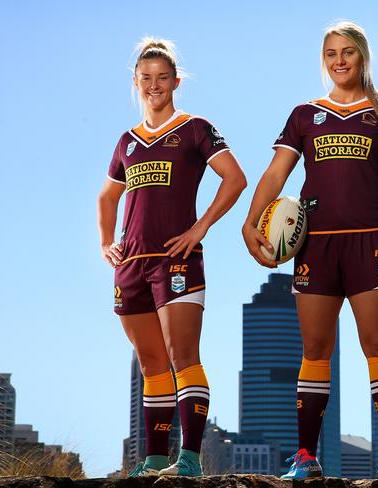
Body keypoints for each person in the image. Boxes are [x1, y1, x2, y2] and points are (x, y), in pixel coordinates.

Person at [242, 21, 378, 481]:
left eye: (348, 53)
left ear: (363, 57)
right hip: (315, 245)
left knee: (377, 344)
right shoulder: (304, 114)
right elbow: (277, 173)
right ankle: (306, 456)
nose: (340, 61)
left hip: (371, 238)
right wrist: (249, 220)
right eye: (331, 53)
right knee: (315, 348)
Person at [97, 37, 246, 477]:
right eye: (146, 78)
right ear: (136, 82)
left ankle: (191, 459)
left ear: (176, 81)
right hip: (131, 265)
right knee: (152, 365)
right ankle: (155, 459)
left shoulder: (195, 128)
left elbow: (235, 179)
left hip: (177, 259)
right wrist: (107, 242)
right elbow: (108, 196)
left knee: (184, 358)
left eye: (163, 78)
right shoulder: (127, 141)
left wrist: (199, 228)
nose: (154, 85)